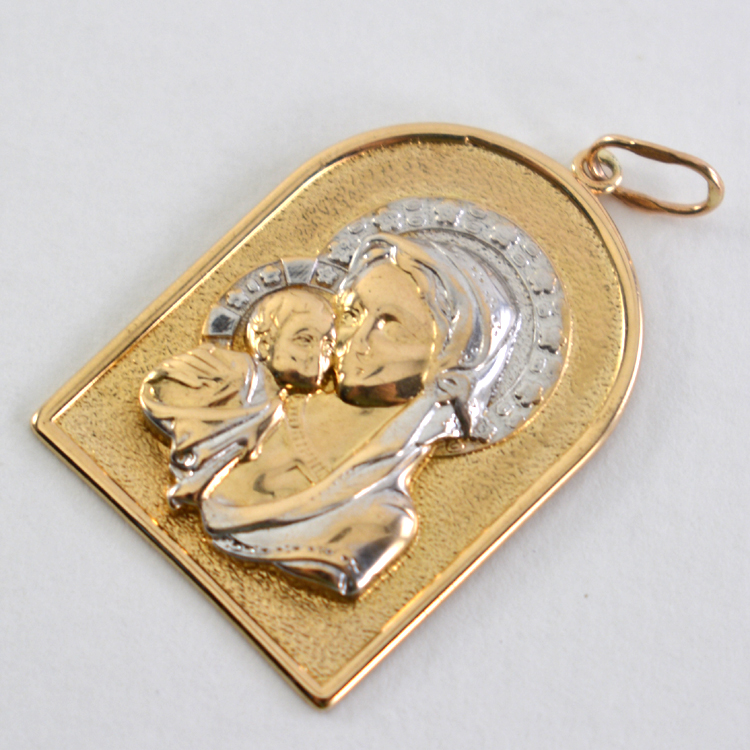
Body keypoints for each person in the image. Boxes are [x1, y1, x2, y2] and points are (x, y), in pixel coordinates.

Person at [199, 233, 518, 596]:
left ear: (448, 364)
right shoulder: (257, 406)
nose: (357, 339)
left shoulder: (380, 522)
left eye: (392, 327)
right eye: (353, 313)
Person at [139, 287, 335, 509]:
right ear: (264, 344)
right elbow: (159, 386)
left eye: (327, 345)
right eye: (305, 340)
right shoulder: (233, 370)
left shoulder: (280, 406)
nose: (317, 355)